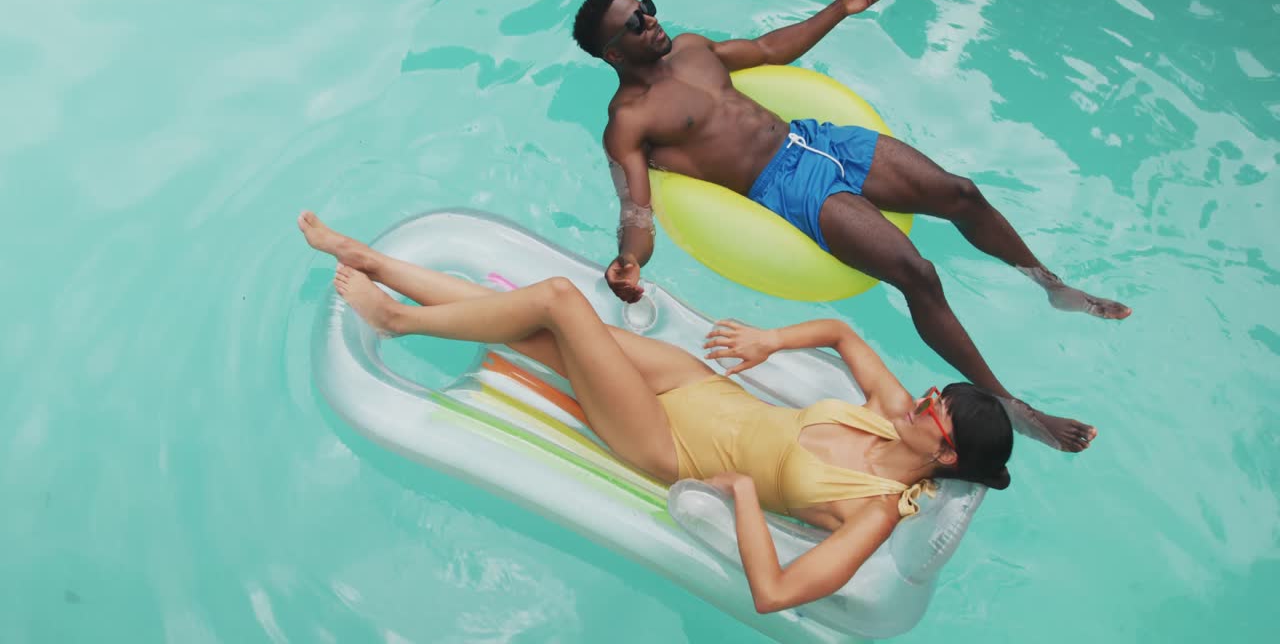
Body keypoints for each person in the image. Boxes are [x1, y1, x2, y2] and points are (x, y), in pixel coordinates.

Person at [298, 210, 1014, 613]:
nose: (920, 401)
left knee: (554, 302)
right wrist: (769, 341)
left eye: (934, 412)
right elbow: (843, 333)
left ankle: (397, 322)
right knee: (542, 336)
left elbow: (775, 592)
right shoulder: (889, 412)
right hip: (695, 384)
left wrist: (738, 498)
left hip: (663, 441)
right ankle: (380, 264)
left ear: (945, 456)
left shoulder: (874, 515)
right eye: (931, 392)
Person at [569, 0, 1131, 454]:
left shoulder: (692, 47)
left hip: (816, 138)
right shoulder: (629, 122)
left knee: (961, 193)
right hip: (786, 186)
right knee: (917, 274)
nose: (651, 19)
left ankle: (1051, 285)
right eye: (635, 23)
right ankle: (1012, 406)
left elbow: (768, 50)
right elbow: (636, 207)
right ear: (613, 53)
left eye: (646, 7)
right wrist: (629, 259)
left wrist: (839, 9)